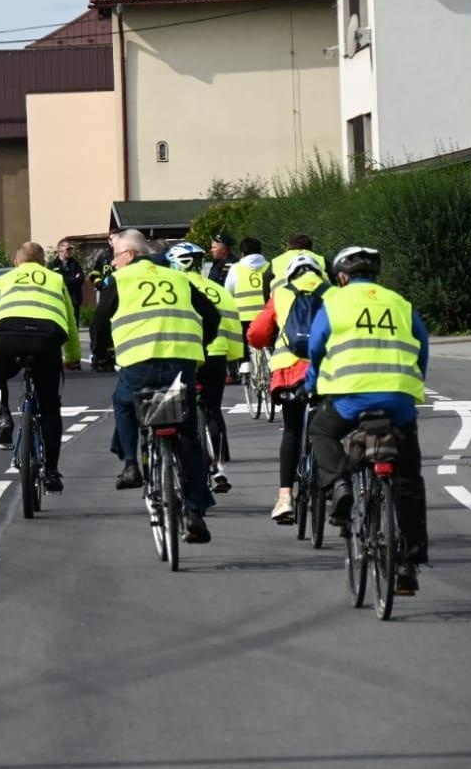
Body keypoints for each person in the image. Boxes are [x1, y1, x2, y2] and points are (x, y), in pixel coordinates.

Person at [308, 246, 429, 594]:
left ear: (342, 277)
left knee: (320, 429)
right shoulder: (400, 303)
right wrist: (411, 385)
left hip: (350, 400)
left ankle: (340, 484)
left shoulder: (334, 302)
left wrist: (313, 382)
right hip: (399, 402)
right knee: (408, 479)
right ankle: (408, 563)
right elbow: (422, 347)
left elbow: (317, 347)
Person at [102, 229, 221, 543]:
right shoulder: (179, 278)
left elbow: (100, 322)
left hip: (139, 364)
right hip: (181, 363)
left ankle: (130, 465)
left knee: (123, 402)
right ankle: (195, 511)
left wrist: (100, 353)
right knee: (188, 435)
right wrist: (202, 345)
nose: (113, 264)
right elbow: (211, 315)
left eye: (114, 257)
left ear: (128, 255)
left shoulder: (122, 280)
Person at [0, 241, 80, 493]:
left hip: (10, 336)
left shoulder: (3, 280)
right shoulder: (56, 280)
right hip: (47, 340)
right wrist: (73, 357)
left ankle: (3, 416)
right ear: (43, 262)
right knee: (49, 408)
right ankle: (52, 472)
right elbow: (70, 323)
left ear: (17, 262)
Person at [247, 253, 328, 523]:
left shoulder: (281, 294)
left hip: (290, 371)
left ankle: (285, 497)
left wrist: (268, 340)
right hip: (326, 372)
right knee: (331, 427)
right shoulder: (334, 294)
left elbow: (257, 334)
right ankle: (334, 482)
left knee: (292, 430)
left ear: (291, 275)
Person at [167, 241, 241, 494]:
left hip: (185, 354)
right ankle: (220, 466)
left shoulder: (174, 289)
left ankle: (180, 462)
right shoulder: (218, 290)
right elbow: (231, 324)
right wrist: (234, 357)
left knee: (177, 412)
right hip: (216, 354)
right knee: (212, 410)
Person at [47, 239, 86, 316]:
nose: (71, 251)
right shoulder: (53, 265)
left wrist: (67, 279)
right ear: (60, 250)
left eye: (72, 249)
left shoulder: (75, 264)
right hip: (59, 301)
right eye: (68, 249)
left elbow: (81, 279)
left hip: (74, 301)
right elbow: (58, 281)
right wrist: (74, 279)